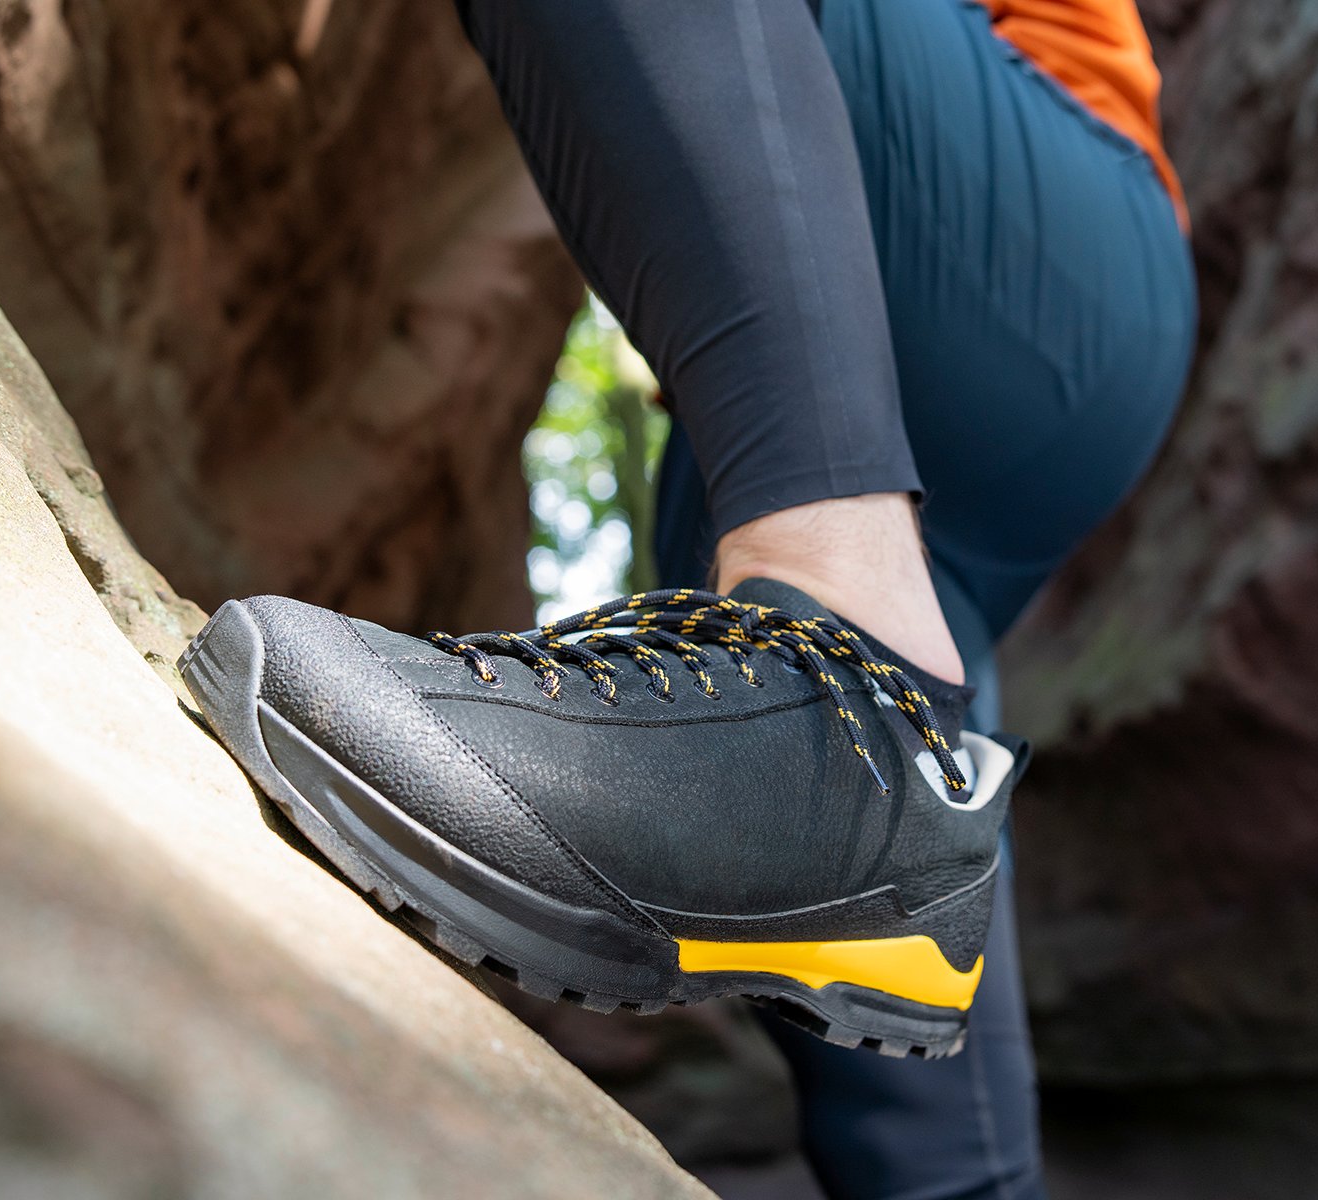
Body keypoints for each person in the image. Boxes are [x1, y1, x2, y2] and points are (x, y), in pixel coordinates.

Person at [180, 0, 1194, 1195]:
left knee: (827, 678)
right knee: (885, 887)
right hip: (929, 392)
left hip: (1046, 242)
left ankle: (849, 641)